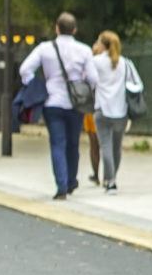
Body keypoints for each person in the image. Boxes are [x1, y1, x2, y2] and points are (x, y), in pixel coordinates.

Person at [18, 12, 99, 199]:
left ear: (56, 28)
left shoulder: (45, 49)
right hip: (76, 104)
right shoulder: (84, 50)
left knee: (57, 143)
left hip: (52, 102)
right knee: (73, 143)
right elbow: (94, 78)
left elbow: (25, 70)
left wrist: (37, 86)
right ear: (75, 30)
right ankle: (71, 181)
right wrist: (83, 85)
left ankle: (61, 186)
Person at [91, 30, 143, 194]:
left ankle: (110, 181)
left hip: (102, 109)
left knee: (105, 146)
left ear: (103, 45)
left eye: (99, 42)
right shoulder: (125, 63)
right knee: (116, 147)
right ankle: (113, 178)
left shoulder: (96, 62)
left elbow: (88, 80)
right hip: (121, 111)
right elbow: (138, 84)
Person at [84, 37, 104, 185]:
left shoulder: (91, 64)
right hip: (106, 107)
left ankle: (96, 175)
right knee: (105, 143)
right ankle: (107, 175)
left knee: (94, 142)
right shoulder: (114, 63)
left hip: (91, 106)